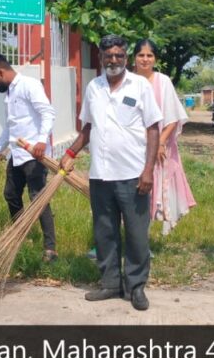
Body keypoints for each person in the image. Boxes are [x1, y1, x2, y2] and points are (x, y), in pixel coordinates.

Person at [61, 35, 161, 311]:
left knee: (137, 235)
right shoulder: (94, 87)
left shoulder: (140, 86)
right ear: (101, 58)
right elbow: (88, 128)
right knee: (105, 232)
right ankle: (110, 283)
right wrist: (70, 153)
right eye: (109, 56)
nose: (114, 60)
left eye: (119, 55)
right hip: (100, 175)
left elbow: (153, 128)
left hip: (133, 174)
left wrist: (148, 170)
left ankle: (136, 286)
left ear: (126, 58)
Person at [0, 54, 58, 262]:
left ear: (0, 72)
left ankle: (50, 249)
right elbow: (10, 127)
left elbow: (47, 113)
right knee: (11, 194)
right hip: (17, 154)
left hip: (35, 155)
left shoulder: (29, 85)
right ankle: (19, 235)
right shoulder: (9, 94)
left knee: (38, 199)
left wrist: (41, 141)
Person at [132, 39, 196, 234]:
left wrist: (159, 144)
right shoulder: (127, 81)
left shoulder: (163, 81)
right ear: (134, 58)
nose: (145, 59)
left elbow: (172, 118)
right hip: (132, 147)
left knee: (151, 191)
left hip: (157, 149)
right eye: (141, 55)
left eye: (149, 55)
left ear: (155, 59)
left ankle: (142, 239)